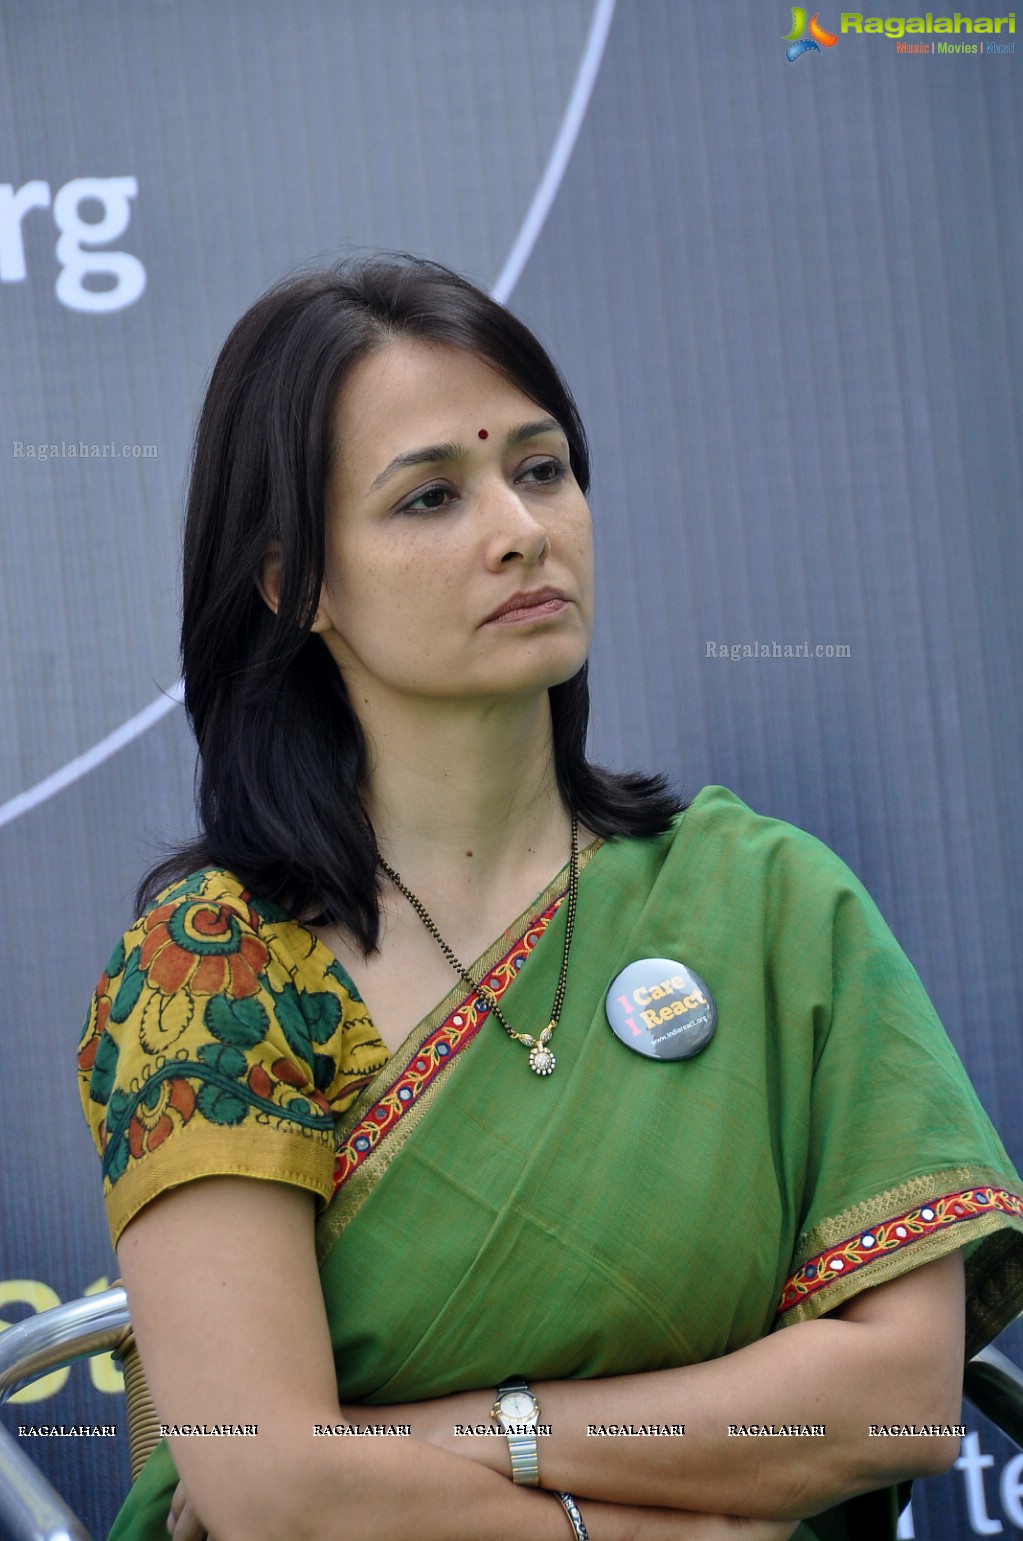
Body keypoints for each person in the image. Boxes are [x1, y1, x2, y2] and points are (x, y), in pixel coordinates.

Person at [78, 256, 1023, 1541]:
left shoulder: (764, 901)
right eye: (429, 497)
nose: (522, 527)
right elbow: (270, 1483)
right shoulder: (215, 968)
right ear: (292, 584)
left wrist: (473, 1431)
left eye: (540, 468)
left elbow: (894, 1400)